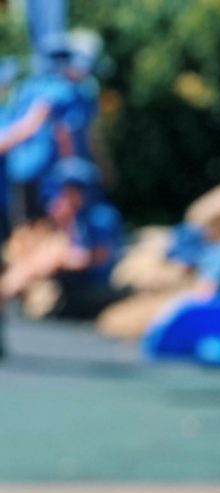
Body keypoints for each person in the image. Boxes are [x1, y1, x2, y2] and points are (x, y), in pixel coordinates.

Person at [0, 158, 124, 317]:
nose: (63, 196)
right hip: (70, 276)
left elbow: (99, 258)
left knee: (49, 258)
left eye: (70, 190)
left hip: (95, 282)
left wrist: (65, 259)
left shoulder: (101, 217)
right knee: (39, 257)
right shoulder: (75, 217)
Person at [0, 44, 87, 231]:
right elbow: (63, 133)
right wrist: (69, 170)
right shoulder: (61, 90)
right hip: (42, 171)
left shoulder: (28, 89)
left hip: (19, 170)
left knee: (29, 227)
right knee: (48, 225)